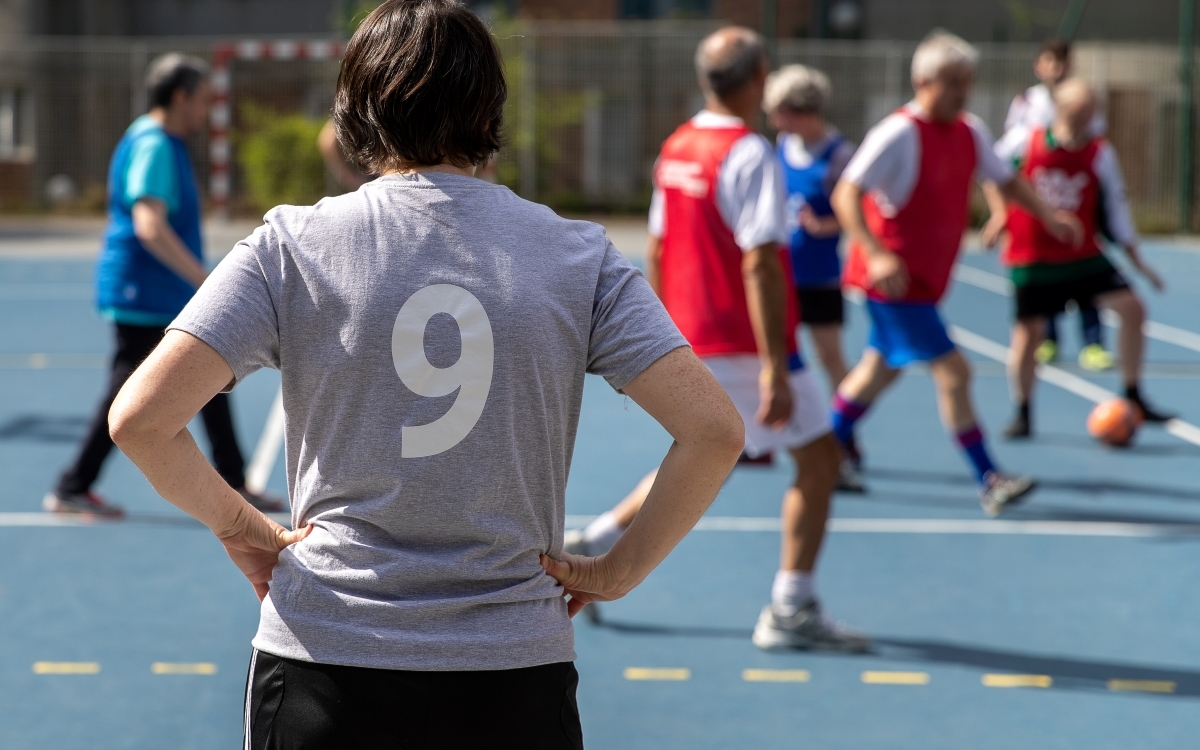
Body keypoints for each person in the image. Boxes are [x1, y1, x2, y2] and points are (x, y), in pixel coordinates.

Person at [108, 2, 745, 747]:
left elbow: (141, 420)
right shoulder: (580, 256)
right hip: (513, 667)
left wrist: (241, 527)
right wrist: (619, 569)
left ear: (357, 106)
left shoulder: (292, 244)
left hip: (327, 657)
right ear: (489, 109)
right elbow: (714, 431)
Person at [566, 28, 868, 652]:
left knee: (708, 458)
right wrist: (777, 369)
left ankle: (592, 544)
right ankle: (792, 604)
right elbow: (760, 262)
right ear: (759, 78)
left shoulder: (678, 146)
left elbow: (656, 245)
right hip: (744, 340)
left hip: (691, 334)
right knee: (819, 459)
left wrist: (660, 336)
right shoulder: (750, 153)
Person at [828, 31, 1082, 517]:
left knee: (876, 375)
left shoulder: (969, 131)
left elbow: (1004, 179)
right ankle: (989, 477)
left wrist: (1048, 216)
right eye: (953, 82)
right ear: (923, 81)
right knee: (955, 372)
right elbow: (846, 193)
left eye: (967, 82)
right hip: (894, 282)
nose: (962, 91)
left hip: (924, 283)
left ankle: (826, 449)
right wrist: (875, 252)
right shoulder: (898, 132)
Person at [43, 53, 281, 517]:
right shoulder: (154, 144)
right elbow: (149, 225)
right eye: (203, 99)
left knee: (208, 377)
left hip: (158, 292)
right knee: (130, 390)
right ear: (180, 97)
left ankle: (234, 482)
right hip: (145, 293)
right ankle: (73, 484)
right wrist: (207, 281)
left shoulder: (162, 140)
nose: (208, 109)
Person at [995, 78, 1172, 438]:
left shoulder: (1099, 151)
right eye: (1080, 110)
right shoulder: (1026, 141)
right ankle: (1023, 412)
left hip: (1082, 256)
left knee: (1133, 309)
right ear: (1061, 110)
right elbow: (991, 172)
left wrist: (1137, 260)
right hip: (1034, 256)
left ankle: (1134, 396)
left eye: (1091, 111)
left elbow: (1116, 207)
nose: (1087, 118)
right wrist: (1000, 214)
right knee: (1029, 335)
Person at [983, 37, 1112, 372]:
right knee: (1044, 277)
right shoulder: (1028, 103)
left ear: (1071, 65)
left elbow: (1093, 142)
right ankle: (1049, 338)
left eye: (1062, 61)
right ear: (1038, 66)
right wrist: (1002, 211)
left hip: (1076, 197)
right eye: (1049, 61)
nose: (1055, 68)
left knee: (1086, 268)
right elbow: (1006, 157)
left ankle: (1093, 342)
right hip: (1039, 197)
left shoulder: (1082, 97)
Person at [763, 63, 861, 490]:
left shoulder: (839, 154)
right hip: (783, 275)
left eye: (778, 111)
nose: (772, 120)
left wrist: (828, 227)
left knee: (831, 359)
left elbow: (860, 212)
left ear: (797, 109)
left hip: (820, 277)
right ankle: (764, 437)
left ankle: (847, 435)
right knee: (774, 358)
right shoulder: (782, 146)